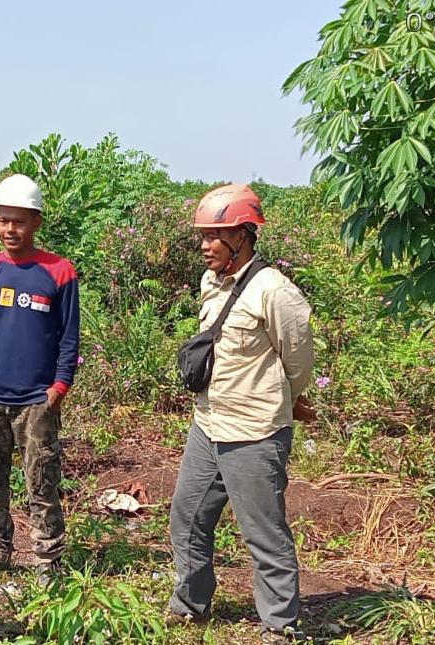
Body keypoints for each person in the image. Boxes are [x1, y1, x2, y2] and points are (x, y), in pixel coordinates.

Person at [168, 184, 315, 643]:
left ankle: (279, 625)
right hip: (208, 422)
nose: (205, 246)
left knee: (263, 533)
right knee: (186, 517)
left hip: (254, 431)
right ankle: (190, 603)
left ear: (244, 236)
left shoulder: (274, 291)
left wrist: (288, 397)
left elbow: (298, 359)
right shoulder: (212, 282)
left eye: (217, 235)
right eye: (204, 236)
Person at [0, 174, 80, 585]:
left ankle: (48, 560)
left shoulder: (59, 273)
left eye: (20, 221)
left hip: (36, 400)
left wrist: (59, 387)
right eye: (5, 221)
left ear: (36, 222)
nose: (11, 229)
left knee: (42, 479)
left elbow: (68, 337)